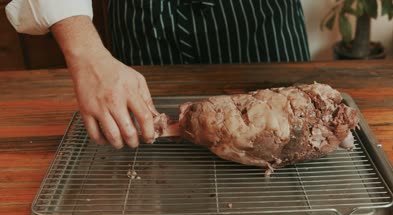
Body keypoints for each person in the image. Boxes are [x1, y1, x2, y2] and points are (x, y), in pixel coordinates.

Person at [6, 0, 310, 149]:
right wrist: (85, 53)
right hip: (145, 15)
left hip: (259, 19)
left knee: (294, 133)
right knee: (144, 140)